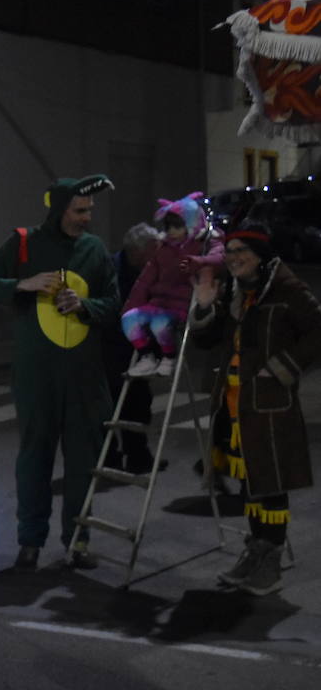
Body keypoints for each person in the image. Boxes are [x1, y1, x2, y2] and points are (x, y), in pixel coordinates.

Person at [0, 174, 120, 572]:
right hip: (37, 375)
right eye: (79, 211)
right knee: (34, 459)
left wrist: (87, 306)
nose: (86, 218)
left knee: (82, 462)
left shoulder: (94, 250)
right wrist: (22, 284)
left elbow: (114, 303)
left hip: (84, 378)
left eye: (89, 211)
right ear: (58, 210)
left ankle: (78, 539)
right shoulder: (24, 244)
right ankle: (30, 541)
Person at [189, 221, 321, 595]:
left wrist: (280, 369)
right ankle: (256, 553)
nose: (233, 260)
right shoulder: (237, 292)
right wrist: (203, 304)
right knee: (252, 483)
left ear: (260, 255)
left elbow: (317, 331)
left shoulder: (286, 289)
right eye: (229, 252)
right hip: (235, 406)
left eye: (241, 252)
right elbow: (208, 340)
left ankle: (271, 561)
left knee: (271, 483)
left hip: (269, 405)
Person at [122, 192, 224, 379]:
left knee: (160, 324)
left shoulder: (205, 243)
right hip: (158, 302)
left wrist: (199, 261)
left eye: (177, 225)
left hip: (180, 304)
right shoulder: (163, 250)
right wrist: (131, 305)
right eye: (167, 226)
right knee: (129, 319)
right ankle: (147, 357)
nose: (170, 231)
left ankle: (168, 357)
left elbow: (219, 258)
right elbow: (145, 280)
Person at [105, 223, 162, 473]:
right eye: (153, 252)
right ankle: (108, 456)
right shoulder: (111, 271)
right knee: (110, 405)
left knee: (139, 402)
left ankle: (138, 455)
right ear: (137, 252)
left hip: (137, 347)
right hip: (110, 347)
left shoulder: (148, 272)